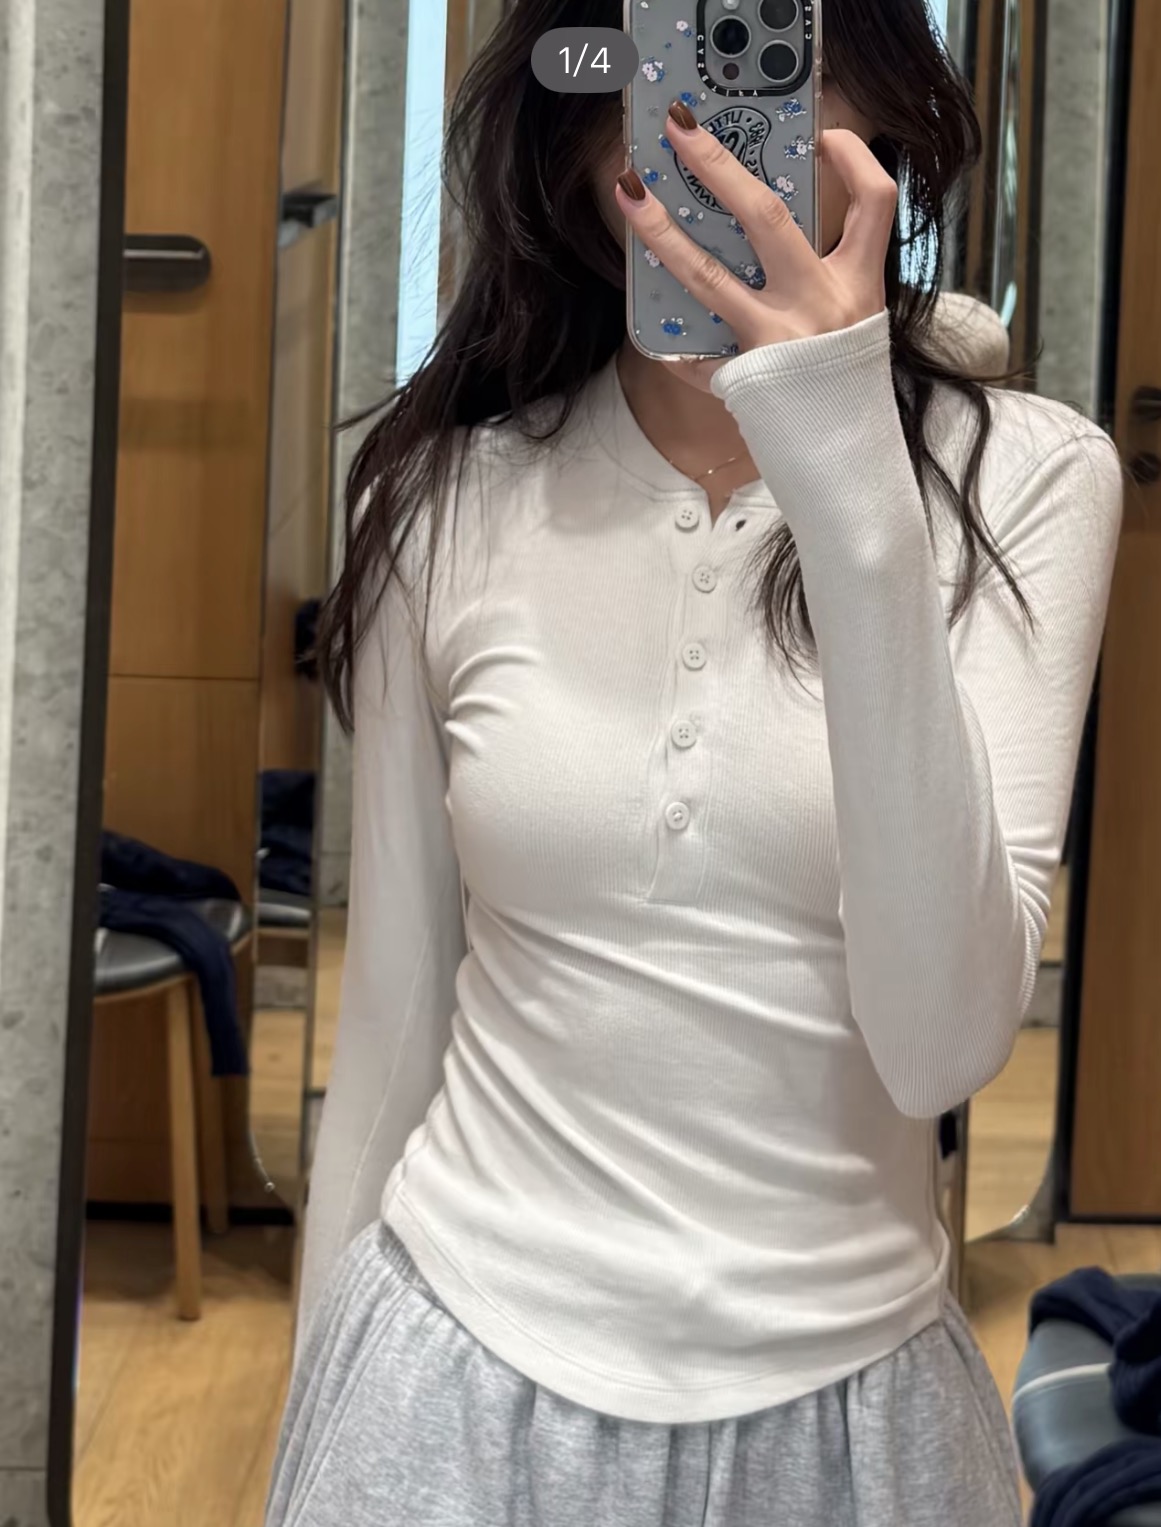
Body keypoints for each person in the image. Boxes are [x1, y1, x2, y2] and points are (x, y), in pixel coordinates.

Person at [265, 1, 1123, 1522]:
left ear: (881, 110)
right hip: (448, 1373)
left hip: (848, 1413)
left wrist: (846, 475)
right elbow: (394, 1009)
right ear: (578, 128)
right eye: (670, 52)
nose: (718, 123)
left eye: (774, 55)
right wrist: (313, 1433)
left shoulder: (1031, 480)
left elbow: (938, 1047)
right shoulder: (446, 493)